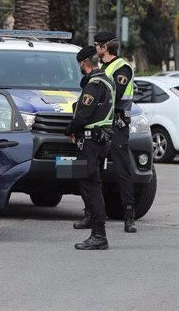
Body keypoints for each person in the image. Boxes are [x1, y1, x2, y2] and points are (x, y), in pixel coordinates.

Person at [64, 46, 115, 250]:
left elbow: (83, 115)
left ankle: (99, 234)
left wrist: (68, 130)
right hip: (99, 141)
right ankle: (92, 222)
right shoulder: (107, 80)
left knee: (91, 186)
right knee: (88, 182)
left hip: (91, 142)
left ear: (83, 64)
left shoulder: (94, 84)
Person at [94, 30, 137, 233]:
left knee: (122, 170)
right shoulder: (102, 67)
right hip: (101, 123)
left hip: (118, 124)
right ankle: (91, 212)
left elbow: (115, 94)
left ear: (105, 47)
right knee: (92, 169)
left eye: (97, 45)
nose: (95, 48)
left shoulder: (123, 68)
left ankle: (129, 216)